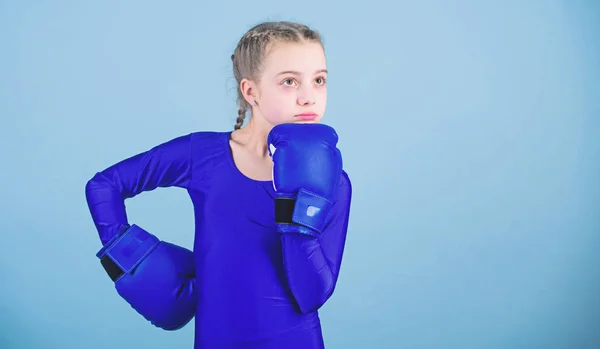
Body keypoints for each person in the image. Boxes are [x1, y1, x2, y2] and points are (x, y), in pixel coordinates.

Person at [85, 20, 352, 349]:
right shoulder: (203, 155)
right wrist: (131, 258)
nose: (309, 97)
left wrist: (298, 210)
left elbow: (311, 295)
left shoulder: (333, 182)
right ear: (250, 91)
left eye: (319, 80)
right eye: (289, 81)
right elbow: (104, 185)